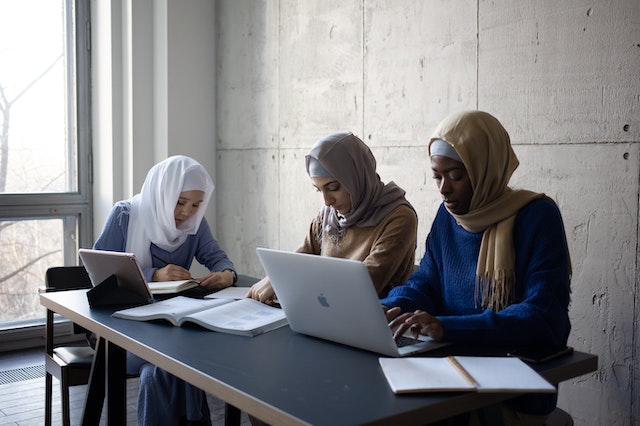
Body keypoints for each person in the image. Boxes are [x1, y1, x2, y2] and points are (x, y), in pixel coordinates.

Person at [381, 110, 572, 425]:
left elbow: (543, 316)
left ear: (486, 169)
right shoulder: (449, 217)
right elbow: (425, 284)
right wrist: (385, 309)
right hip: (451, 370)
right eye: (437, 176)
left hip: (512, 387)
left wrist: (449, 327)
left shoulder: (538, 216)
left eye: (456, 176)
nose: (444, 189)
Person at [93, 155, 237, 426]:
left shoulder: (194, 224)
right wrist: (152, 276)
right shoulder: (125, 215)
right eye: (180, 202)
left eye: (196, 205)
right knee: (176, 362)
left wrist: (227, 274)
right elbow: (100, 273)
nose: (186, 213)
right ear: (162, 193)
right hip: (119, 329)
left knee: (163, 367)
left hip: (170, 324)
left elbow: (217, 257)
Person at [247, 131, 418, 302]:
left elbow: (362, 285)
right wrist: (277, 277)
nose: (327, 201)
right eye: (318, 189)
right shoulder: (328, 216)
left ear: (357, 177)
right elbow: (301, 259)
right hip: (324, 313)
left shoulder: (398, 217)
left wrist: (284, 280)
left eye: (333, 187)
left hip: (378, 321)